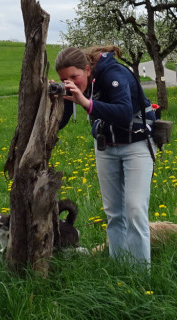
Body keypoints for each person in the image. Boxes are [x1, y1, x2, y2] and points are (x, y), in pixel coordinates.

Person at [55, 45, 156, 267]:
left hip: (136, 144)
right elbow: (62, 119)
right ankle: (119, 265)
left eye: (74, 76)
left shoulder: (113, 73)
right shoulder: (78, 84)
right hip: (106, 146)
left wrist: (86, 103)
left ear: (88, 69)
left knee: (135, 209)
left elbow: (123, 112)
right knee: (114, 212)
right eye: (64, 79)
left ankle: (140, 275)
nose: (71, 82)